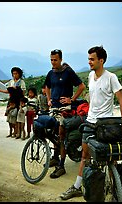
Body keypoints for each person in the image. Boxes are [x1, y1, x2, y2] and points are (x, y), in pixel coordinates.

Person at [60, 45, 122, 200]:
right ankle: (77, 186)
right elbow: (93, 99)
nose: (89, 62)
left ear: (101, 60)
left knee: (111, 157)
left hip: (106, 124)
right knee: (85, 156)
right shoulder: (90, 76)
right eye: (88, 59)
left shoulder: (111, 77)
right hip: (90, 122)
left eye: (92, 59)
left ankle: (116, 189)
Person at [45, 49, 86, 178]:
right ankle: (55, 156)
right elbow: (47, 86)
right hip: (54, 108)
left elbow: (81, 86)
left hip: (65, 109)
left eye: (55, 60)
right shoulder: (51, 73)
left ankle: (61, 165)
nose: (53, 62)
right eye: (51, 60)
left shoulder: (68, 71)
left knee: (61, 135)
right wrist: (48, 99)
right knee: (53, 132)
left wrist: (72, 99)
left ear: (60, 59)